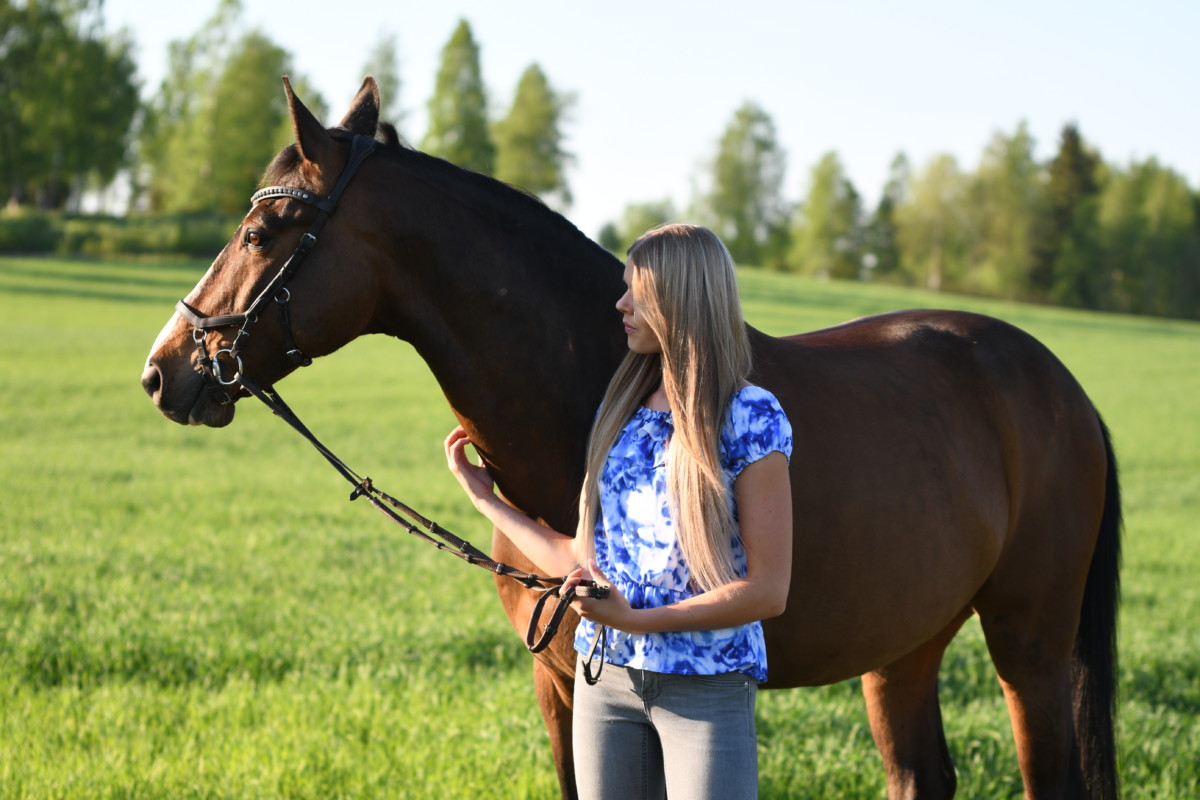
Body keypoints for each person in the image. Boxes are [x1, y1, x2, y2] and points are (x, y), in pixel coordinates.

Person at [445, 222, 793, 799]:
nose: (620, 304)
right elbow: (579, 556)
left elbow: (767, 591)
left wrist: (636, 620)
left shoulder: (751, 417)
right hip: (604, 681)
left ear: (682, 300)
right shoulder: (622, 409)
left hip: (704, 688)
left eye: (638, 291)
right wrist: (483, 497)